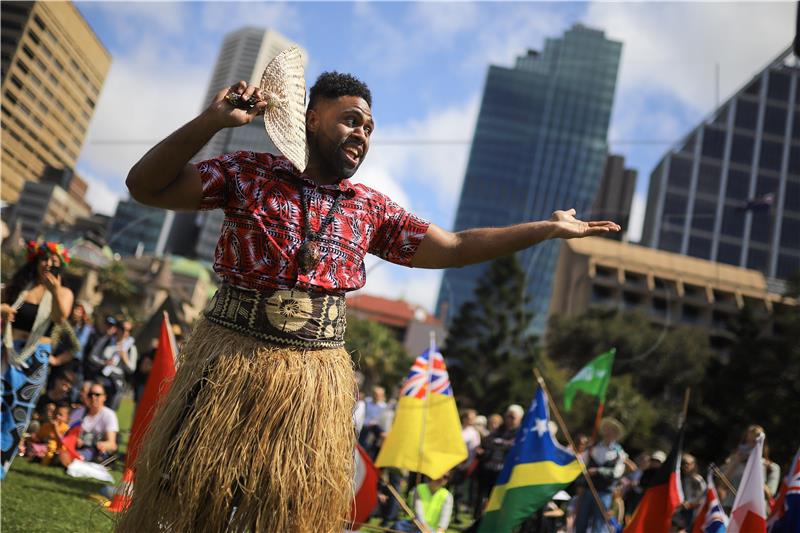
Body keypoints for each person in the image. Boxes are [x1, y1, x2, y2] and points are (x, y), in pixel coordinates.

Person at [117, 64, 620, 533]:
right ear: (312, 118)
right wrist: (211, 120)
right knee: (188, 501)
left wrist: (547, 229)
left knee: (280, 514)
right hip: (228, 363)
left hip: (311, 383)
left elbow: (458, 247)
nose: (362, 134)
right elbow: (145, 186)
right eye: (351, 121)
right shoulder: (247, 171)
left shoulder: (370, 209)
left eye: (369, 129)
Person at [1, 240, 74, 479]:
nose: (48, 265)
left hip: (35, 358)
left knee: (18, 411)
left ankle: (1, 463)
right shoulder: (22, 286)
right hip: (9, 350)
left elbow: (61, 318)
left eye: (54, 262)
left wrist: (53, 292)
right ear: (36, 261)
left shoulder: (63, 293)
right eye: (44, 259)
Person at [574, 417, 627, 533]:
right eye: (607, 429)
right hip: (588, 490)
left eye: (611, 430)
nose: (608, 432)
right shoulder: (593, 447)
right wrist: (580, 483)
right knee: (581, 522)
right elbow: (581, 464)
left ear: (615, 434)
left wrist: (598, 471)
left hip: (604, 493)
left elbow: (617, 473)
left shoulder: (619, 453)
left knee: (599, 525)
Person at [475, 404, 524, 518]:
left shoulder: (521, 433)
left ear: (519, 419)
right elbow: (487, 442)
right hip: (488, 469)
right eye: (508, 416)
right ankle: (477, 520)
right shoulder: (499, 429)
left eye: (513, 417)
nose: (509, 419)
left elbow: (514, 446)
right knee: (481, 497)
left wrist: (499, 443)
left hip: (504, 473)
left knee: (497, 500)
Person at [721, 425, 781, 510]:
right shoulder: (733, 462)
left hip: (755, 512)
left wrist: (754, 467)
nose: (750, 445)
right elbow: (722, 485)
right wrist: (734, 463)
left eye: (754, 442)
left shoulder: (772, 468)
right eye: (748, 441)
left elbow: (769, 494)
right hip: (731, 510)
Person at [59, 383, 118, 466]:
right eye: (90, 395)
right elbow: (67, 432)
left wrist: (101, 444)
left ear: (104, 397)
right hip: (74, 446)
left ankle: (72, 460)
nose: (93, 397)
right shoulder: (79, 412)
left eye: (97, 395)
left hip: (93, 450)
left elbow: (112, 445)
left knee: (86, 453)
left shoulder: (109, 415)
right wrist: (76, 439)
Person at [87, 318, 137, 410]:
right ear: (117, 328)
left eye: (129, 330)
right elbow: (92, 357)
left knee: (109, 409)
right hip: (101, 378)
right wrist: (103, 362)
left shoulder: (131, 348)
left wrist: (125, 358)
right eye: (123, 329)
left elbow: (132, 369)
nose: (125, 332)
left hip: (116, 383)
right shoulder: (107, 340)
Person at [675, 453, 706, 530]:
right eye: (684, 463)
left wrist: (690, 504)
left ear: (694, 465)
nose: (686, 466)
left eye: (689, 464)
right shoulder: (678, 478)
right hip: (677, 510)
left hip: (690, 512)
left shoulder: (698, 480)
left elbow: (703, 498)